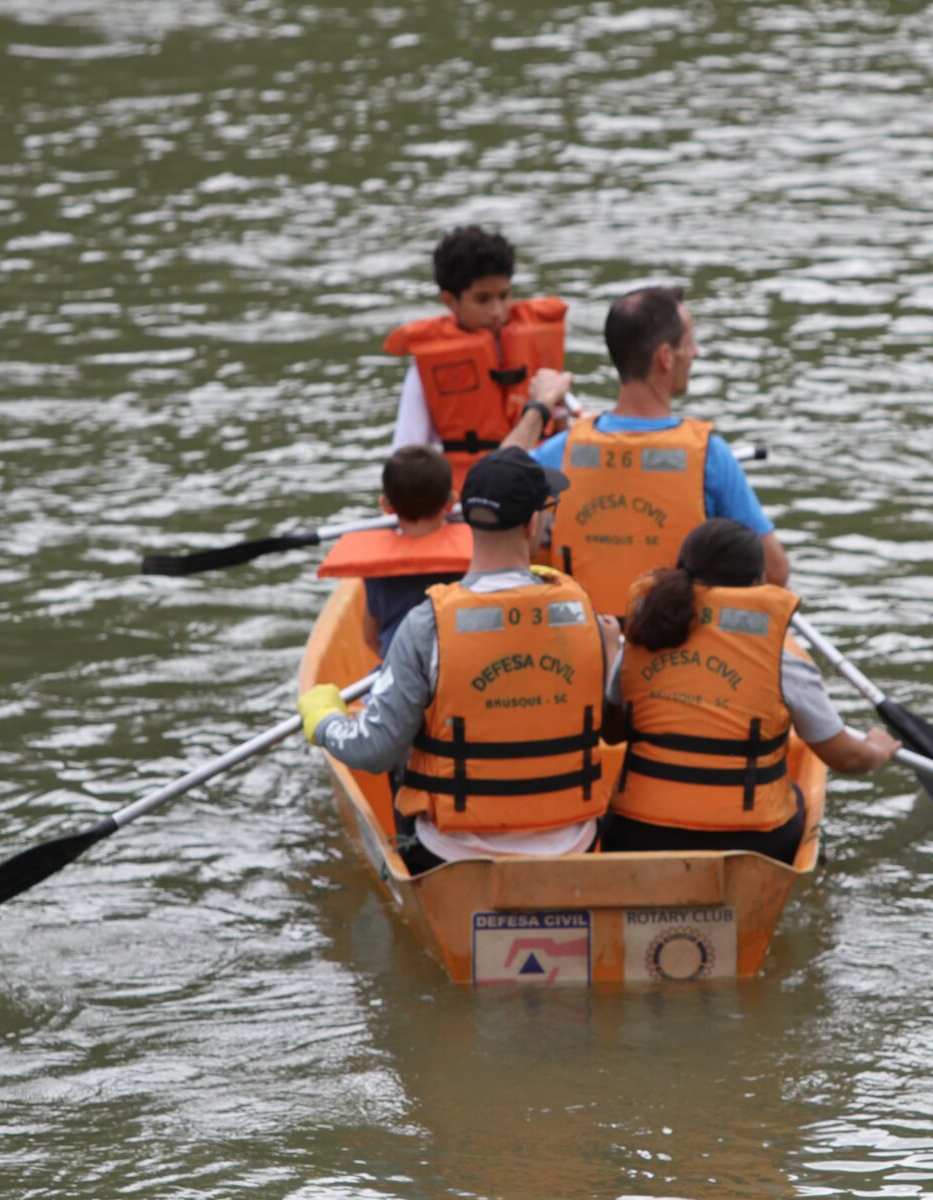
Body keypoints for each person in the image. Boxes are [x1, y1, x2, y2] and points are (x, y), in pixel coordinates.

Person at [298, 448, 621, 876]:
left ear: (465, 519)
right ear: (531, 524)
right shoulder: (589, 619)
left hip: (450, 856)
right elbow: (613, 724)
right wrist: (613, 653)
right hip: (571, 847)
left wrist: (323, 722)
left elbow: (374, 750)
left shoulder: (425, 625)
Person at [602, 518, 899, 862]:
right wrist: (878, 749)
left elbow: (611, 733)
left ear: (680, 571)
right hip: (751, 844)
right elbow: (848, 758)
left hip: (637, 835)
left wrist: (612, 653)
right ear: (758, 581)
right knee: (799, 798)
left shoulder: (645, 635)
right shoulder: (783, 656)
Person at [499, 285, 785, 616]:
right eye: (689, 342)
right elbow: (775, 571)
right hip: (673, 653)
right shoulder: (710, 456)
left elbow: (492, 482)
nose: (695, 353)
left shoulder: (563, 450)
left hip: (583, 647)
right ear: (665, 357)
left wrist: (539, 406)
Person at [382, 226, 570, 490]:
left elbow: (561, 433)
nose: (497, 311)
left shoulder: (535, 344)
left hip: (539, 489)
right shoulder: (427, 364)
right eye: (482, 300)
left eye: (504, 296)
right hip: (471, 495)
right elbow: (408, 453)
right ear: (450, 301)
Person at [314, 446, 472, 660]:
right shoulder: (472, 558)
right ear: (451, 501)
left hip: (399, 674)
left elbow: (370, 638)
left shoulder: (376, 571)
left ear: (386, 504)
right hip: (460, 664)